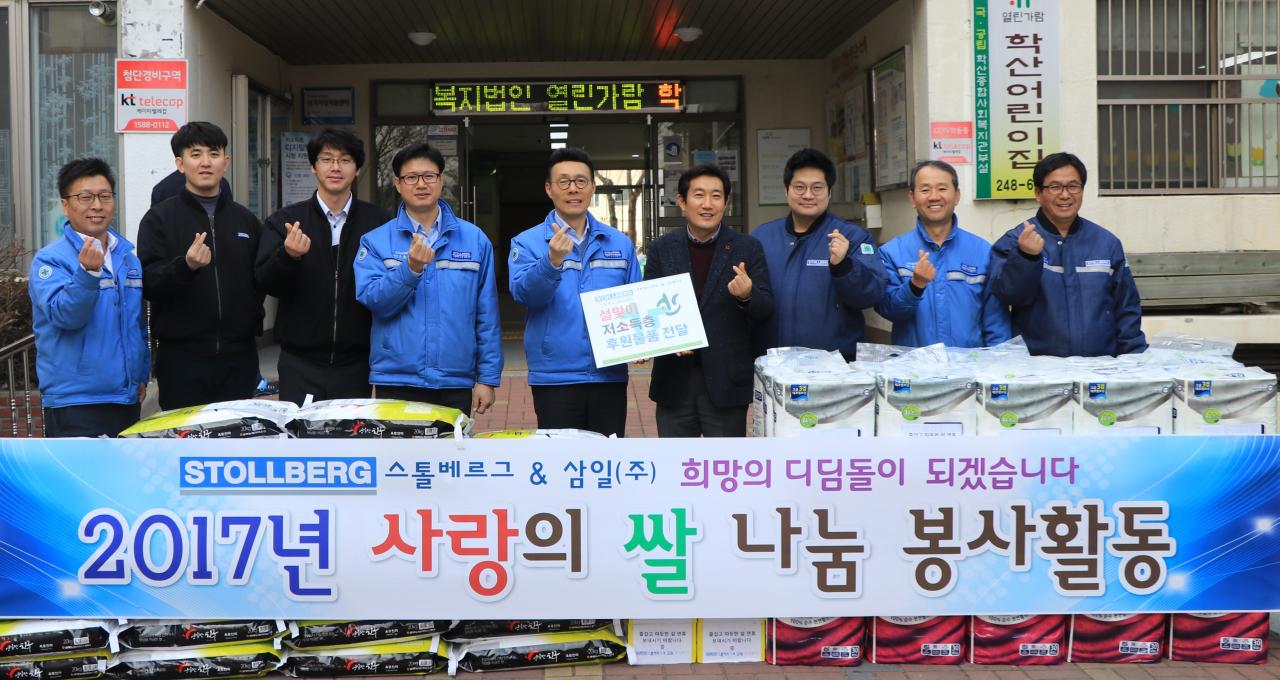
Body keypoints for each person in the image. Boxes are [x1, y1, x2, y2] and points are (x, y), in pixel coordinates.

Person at [354, 142, 501, 416]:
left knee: (451, 445)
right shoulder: (375, 241)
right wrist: (410, 269)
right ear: (398, 184)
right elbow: (374, 301)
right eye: (411, 177)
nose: (421, 184)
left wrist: (487, 378)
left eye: (429, 176)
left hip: (455, 379)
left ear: (441, 180)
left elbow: (487, 315)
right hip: (396, 378)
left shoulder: (475, 240)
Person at [509, 148, 641, 436]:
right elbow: (524, 295)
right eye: (564, 181)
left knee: (607, 457)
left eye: (581, 181)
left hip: (609, 375)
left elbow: (635, 301)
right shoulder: (527, 242)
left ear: (592, 187)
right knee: (560, 458)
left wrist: (640, 343)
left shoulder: (619, 243)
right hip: (554, 376)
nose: (573, 189)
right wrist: (551, 262)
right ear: (549, 189)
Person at [255, 128, 390, 405]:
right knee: (300, 433)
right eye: (327, 159)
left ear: (357, 168)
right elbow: (266, 282)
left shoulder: (379, 222)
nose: (335, 167)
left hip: (357, 362)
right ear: (313, 167)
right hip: (299, 361)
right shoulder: (286, 221)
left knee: (352, 433)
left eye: (345, 160)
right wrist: (288, 256)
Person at [139, 121, 264, 411]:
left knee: (237, 433)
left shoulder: (245, 220)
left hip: (239, 357)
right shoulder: (159, 219)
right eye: (195, 154)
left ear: (225, 162)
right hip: (182, 359)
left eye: (214, 154)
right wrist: (185, 266)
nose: (206, 162)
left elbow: (259, 282)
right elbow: (149, 282)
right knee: (186, 437)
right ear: (180, 164)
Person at [645, 164, 773, 437]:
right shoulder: (661, 249)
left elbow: (766, 309)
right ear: (682, 201)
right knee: (675, 460)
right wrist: (668, 340)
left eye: (716, 196)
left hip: (726, 381)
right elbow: (650, 309)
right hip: (674, 381)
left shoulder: (747, 247)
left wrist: (747, 295)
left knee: (725, 461)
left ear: (726, 202)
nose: (707, 204)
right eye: (699, 195)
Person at [29, 158, 149, 437]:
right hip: (75, 401)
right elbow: (65, 316)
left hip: (126, 398)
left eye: (104, 196)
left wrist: (141, 374)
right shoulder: (49, 260)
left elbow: (137, 324)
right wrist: (87, 273)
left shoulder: (127, 258)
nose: (97, 205)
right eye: (85, 197)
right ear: (65, 204)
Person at [988, 152, 1147, 357]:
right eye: (1055, 187)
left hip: (1100, 366)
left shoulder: (1106, 243)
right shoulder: (1016, 240)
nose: (1065, 195)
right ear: (1038, 193)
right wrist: (1026, 257)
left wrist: (1134, 357)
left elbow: (1126, 307)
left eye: (1073, 186)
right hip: (1037, 367)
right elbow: (1009, 296)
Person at [752, 148, 886, 360]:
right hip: (773, 364)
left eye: (817, 188)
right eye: (799, 187)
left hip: (834, 366)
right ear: (786, 190)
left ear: (829, 192)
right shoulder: (762, 236)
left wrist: (843, 266)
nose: (808, 195)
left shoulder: (853, 237)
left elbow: (870, 295)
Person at [876, 160, 1011, 347]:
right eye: (925, 190)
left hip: (969, 363)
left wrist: (999, 359)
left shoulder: (982, 251)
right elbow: (888, 310)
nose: (934, 197)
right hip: (914, 363)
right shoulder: (892, 253)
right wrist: (915, 286)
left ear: (957, 195)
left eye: (942, 188)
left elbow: (996, 321)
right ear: (912, 198)